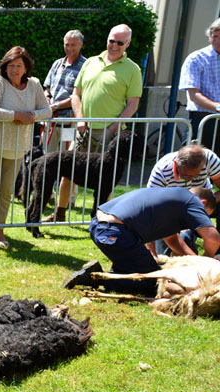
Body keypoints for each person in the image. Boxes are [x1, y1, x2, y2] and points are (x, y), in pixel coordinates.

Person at [50, 24, 142, 222]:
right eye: (111, 40)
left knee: (105, 180)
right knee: (67, 170)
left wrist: (113, 128)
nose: (114, 45)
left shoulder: (133, 69)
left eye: (119, 42)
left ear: (128, 43)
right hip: (83, 128)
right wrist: (80, 118)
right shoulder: (91, 62)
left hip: (110, 134)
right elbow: (76, 95)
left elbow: (133, 104)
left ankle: (100, 217)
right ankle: (59, 213)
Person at [63, 187, 220, 295]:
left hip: (102, 226)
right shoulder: (192, 202)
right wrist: (206, 263)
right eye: (206, 214)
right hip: (116, 233)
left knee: (139, 270)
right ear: (203, 203)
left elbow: (172, 239)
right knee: (152, 283)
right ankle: (94, 278)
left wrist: (194, 261)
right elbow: (213, 239)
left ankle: (115, 272)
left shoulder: (175, 196)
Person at [0, 46, 51, 248]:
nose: (14, 69)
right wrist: (17, 116)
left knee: (7, 192)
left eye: (18, 65)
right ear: (5, 66)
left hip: (18, 147)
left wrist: (31, 117)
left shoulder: (34, 84)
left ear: (26, 67)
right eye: (11, 65)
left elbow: (46, 110)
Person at [146, 144, 220, 255]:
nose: (189, 181)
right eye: (185, 176)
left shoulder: (210, 159)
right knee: (166, 254)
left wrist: (209, 203)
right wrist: (151, 249)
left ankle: (216, 254)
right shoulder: (161, 172)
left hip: (202, 201)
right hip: (169, 209)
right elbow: (150, 210)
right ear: (176, 164)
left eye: (195, 176)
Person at [179, 18, 220, 154]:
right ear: (209, 36)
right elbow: (193, 95)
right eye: (215, 36)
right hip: (202, 119)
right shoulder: (196, 58)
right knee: (194, 164)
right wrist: (218, 107)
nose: (218, 40)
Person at [41, 29, 86, 151]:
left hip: (69, 122)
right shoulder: (57, 63)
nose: (69, 48)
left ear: (81, 45)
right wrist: (48, 100)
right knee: (47, 157)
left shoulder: (86, 66)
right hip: (51, 121)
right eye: (67, 44)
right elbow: (47, 88)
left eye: (73, 45)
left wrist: (55, 106)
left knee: (66, 157)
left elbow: (79, 96)